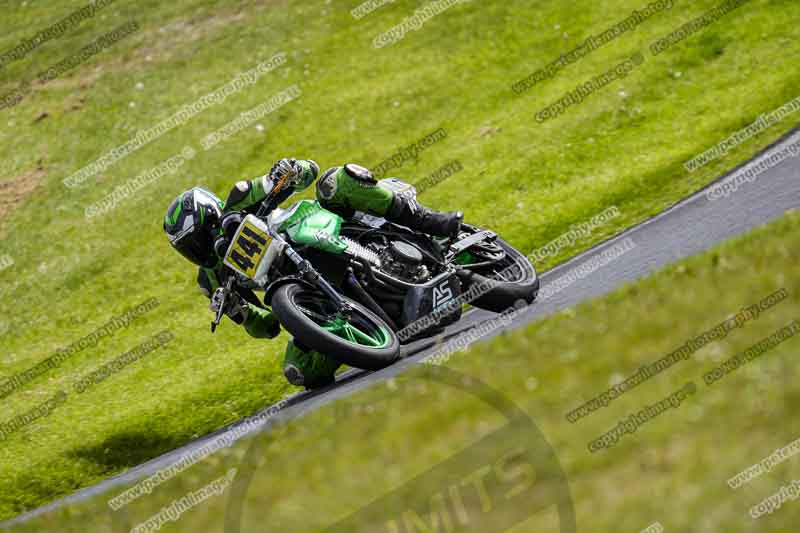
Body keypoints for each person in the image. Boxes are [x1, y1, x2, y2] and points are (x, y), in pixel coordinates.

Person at [163, 158, 462, 388]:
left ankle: (429, 222)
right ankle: (375, 328)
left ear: (211, 215)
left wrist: (286, 170)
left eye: (198, 238)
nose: (199, 251)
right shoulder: (213, 278)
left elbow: (306, 170)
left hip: (312, 228)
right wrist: (241, 314)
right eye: (188, 248)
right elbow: (269, 327)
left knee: (334, 181)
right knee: (300, 370)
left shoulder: (239, 199)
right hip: (310, 294)